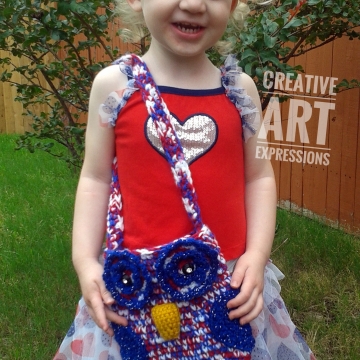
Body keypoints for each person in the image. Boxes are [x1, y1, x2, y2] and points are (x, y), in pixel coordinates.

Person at [54, 0, 315, 359]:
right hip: (136, 285)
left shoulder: (239, 91)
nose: (193, 4)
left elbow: (259, 178)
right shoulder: (115, 87)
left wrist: (256, 254)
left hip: (229, 284)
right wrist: (85, 261)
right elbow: (95, 178)